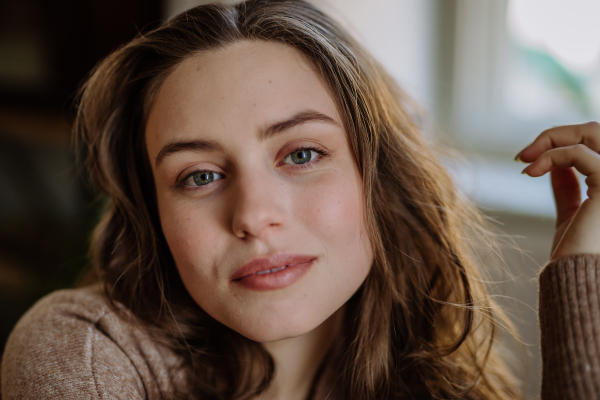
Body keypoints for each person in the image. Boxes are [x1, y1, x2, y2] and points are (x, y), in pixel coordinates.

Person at [2, 1, 600, 399]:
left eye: (302, 155)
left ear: (379, 179)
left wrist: (585, 276)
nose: (254, 217)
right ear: (153, 213)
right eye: (200, 176)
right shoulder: (84, 356)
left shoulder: (435, 376)